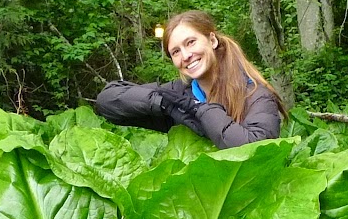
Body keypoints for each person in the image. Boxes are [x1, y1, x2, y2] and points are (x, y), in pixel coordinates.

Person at [93, 10, 285, 148]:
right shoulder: (180, 94)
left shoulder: (255, 93)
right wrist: (164, 104)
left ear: (212, 40)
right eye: (176, 51)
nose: (185, 56)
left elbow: (257, 148)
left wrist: (201, 110)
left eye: (191, 42)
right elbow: (107, 101)